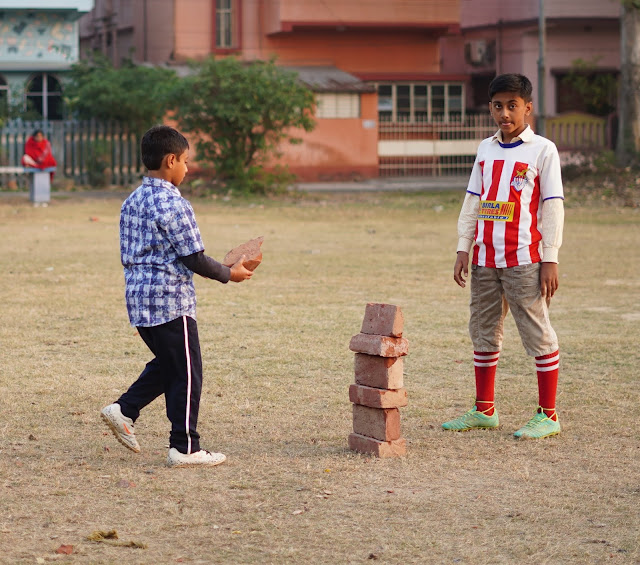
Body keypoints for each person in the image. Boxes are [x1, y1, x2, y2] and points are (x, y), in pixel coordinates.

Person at [101, 125, 254, 467]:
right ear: (170, 161)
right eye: (185, 161)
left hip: (139, 301)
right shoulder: (173, 202)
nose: (187, 168)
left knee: (173, 364)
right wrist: (231, 274)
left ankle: (124, 409)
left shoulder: (133, 200)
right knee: (188, 371)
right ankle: (184, 447)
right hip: (170, 302)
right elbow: (194, 257)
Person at [443, 73, 564, 440]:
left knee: (536, 332)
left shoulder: (543, 150)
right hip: (484, 258)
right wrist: (464, 247)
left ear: (528, 107)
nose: (504, 113)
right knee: (482, 330)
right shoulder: (485, 149)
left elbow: (552, 207)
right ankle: (484, 410)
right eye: (498, 106)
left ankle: (548, 414)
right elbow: (473, 201)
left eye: (513, 106)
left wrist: (550, 258)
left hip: (524, 259)